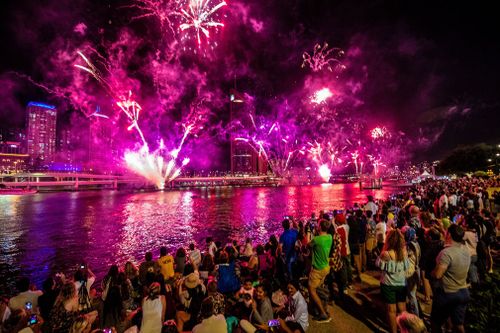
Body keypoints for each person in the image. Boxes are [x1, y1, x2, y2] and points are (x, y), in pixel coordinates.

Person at [431, 224, 471, 333]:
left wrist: (432, 272)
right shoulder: (466, 252)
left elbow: (438, 275)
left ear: (449, 235)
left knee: (435, 323)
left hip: (447, 293)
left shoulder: (446, 253)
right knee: (458, 325)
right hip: (463, 291)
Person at [376, 229, 409, 333]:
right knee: (402, 309)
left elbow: (378, 265)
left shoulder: (386, 254)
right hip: (402, 283)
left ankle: (394, 331)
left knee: (391, 310)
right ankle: (404, 330)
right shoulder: (404, 252)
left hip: (388, 284)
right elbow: (406, 266)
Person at [308, 219, 332, 322]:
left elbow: (307, 245)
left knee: (311, 290)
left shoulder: (317, 239)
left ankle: (323, 314)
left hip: (317, 269)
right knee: (318, 288)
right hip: (326, 267)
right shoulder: (329, 237)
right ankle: (321, 307)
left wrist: (309, 233)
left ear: (320, 227)